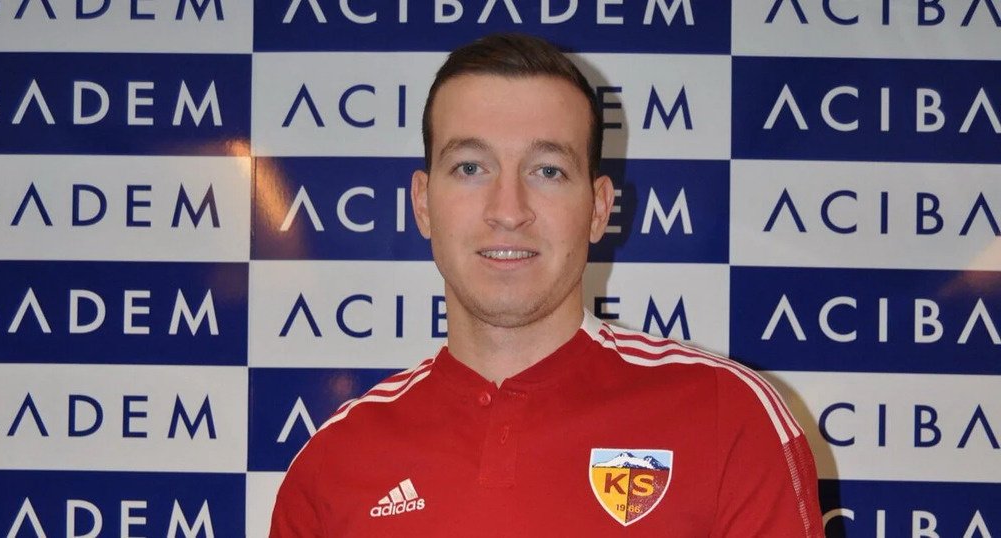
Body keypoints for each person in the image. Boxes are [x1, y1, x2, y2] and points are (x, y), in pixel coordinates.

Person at [270, 33, 824, 537]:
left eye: (548, 171)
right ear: (423, 204)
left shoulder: (727, 417)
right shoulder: (334, 462)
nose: (508, 210)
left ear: (598, 208)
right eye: (470, 167)